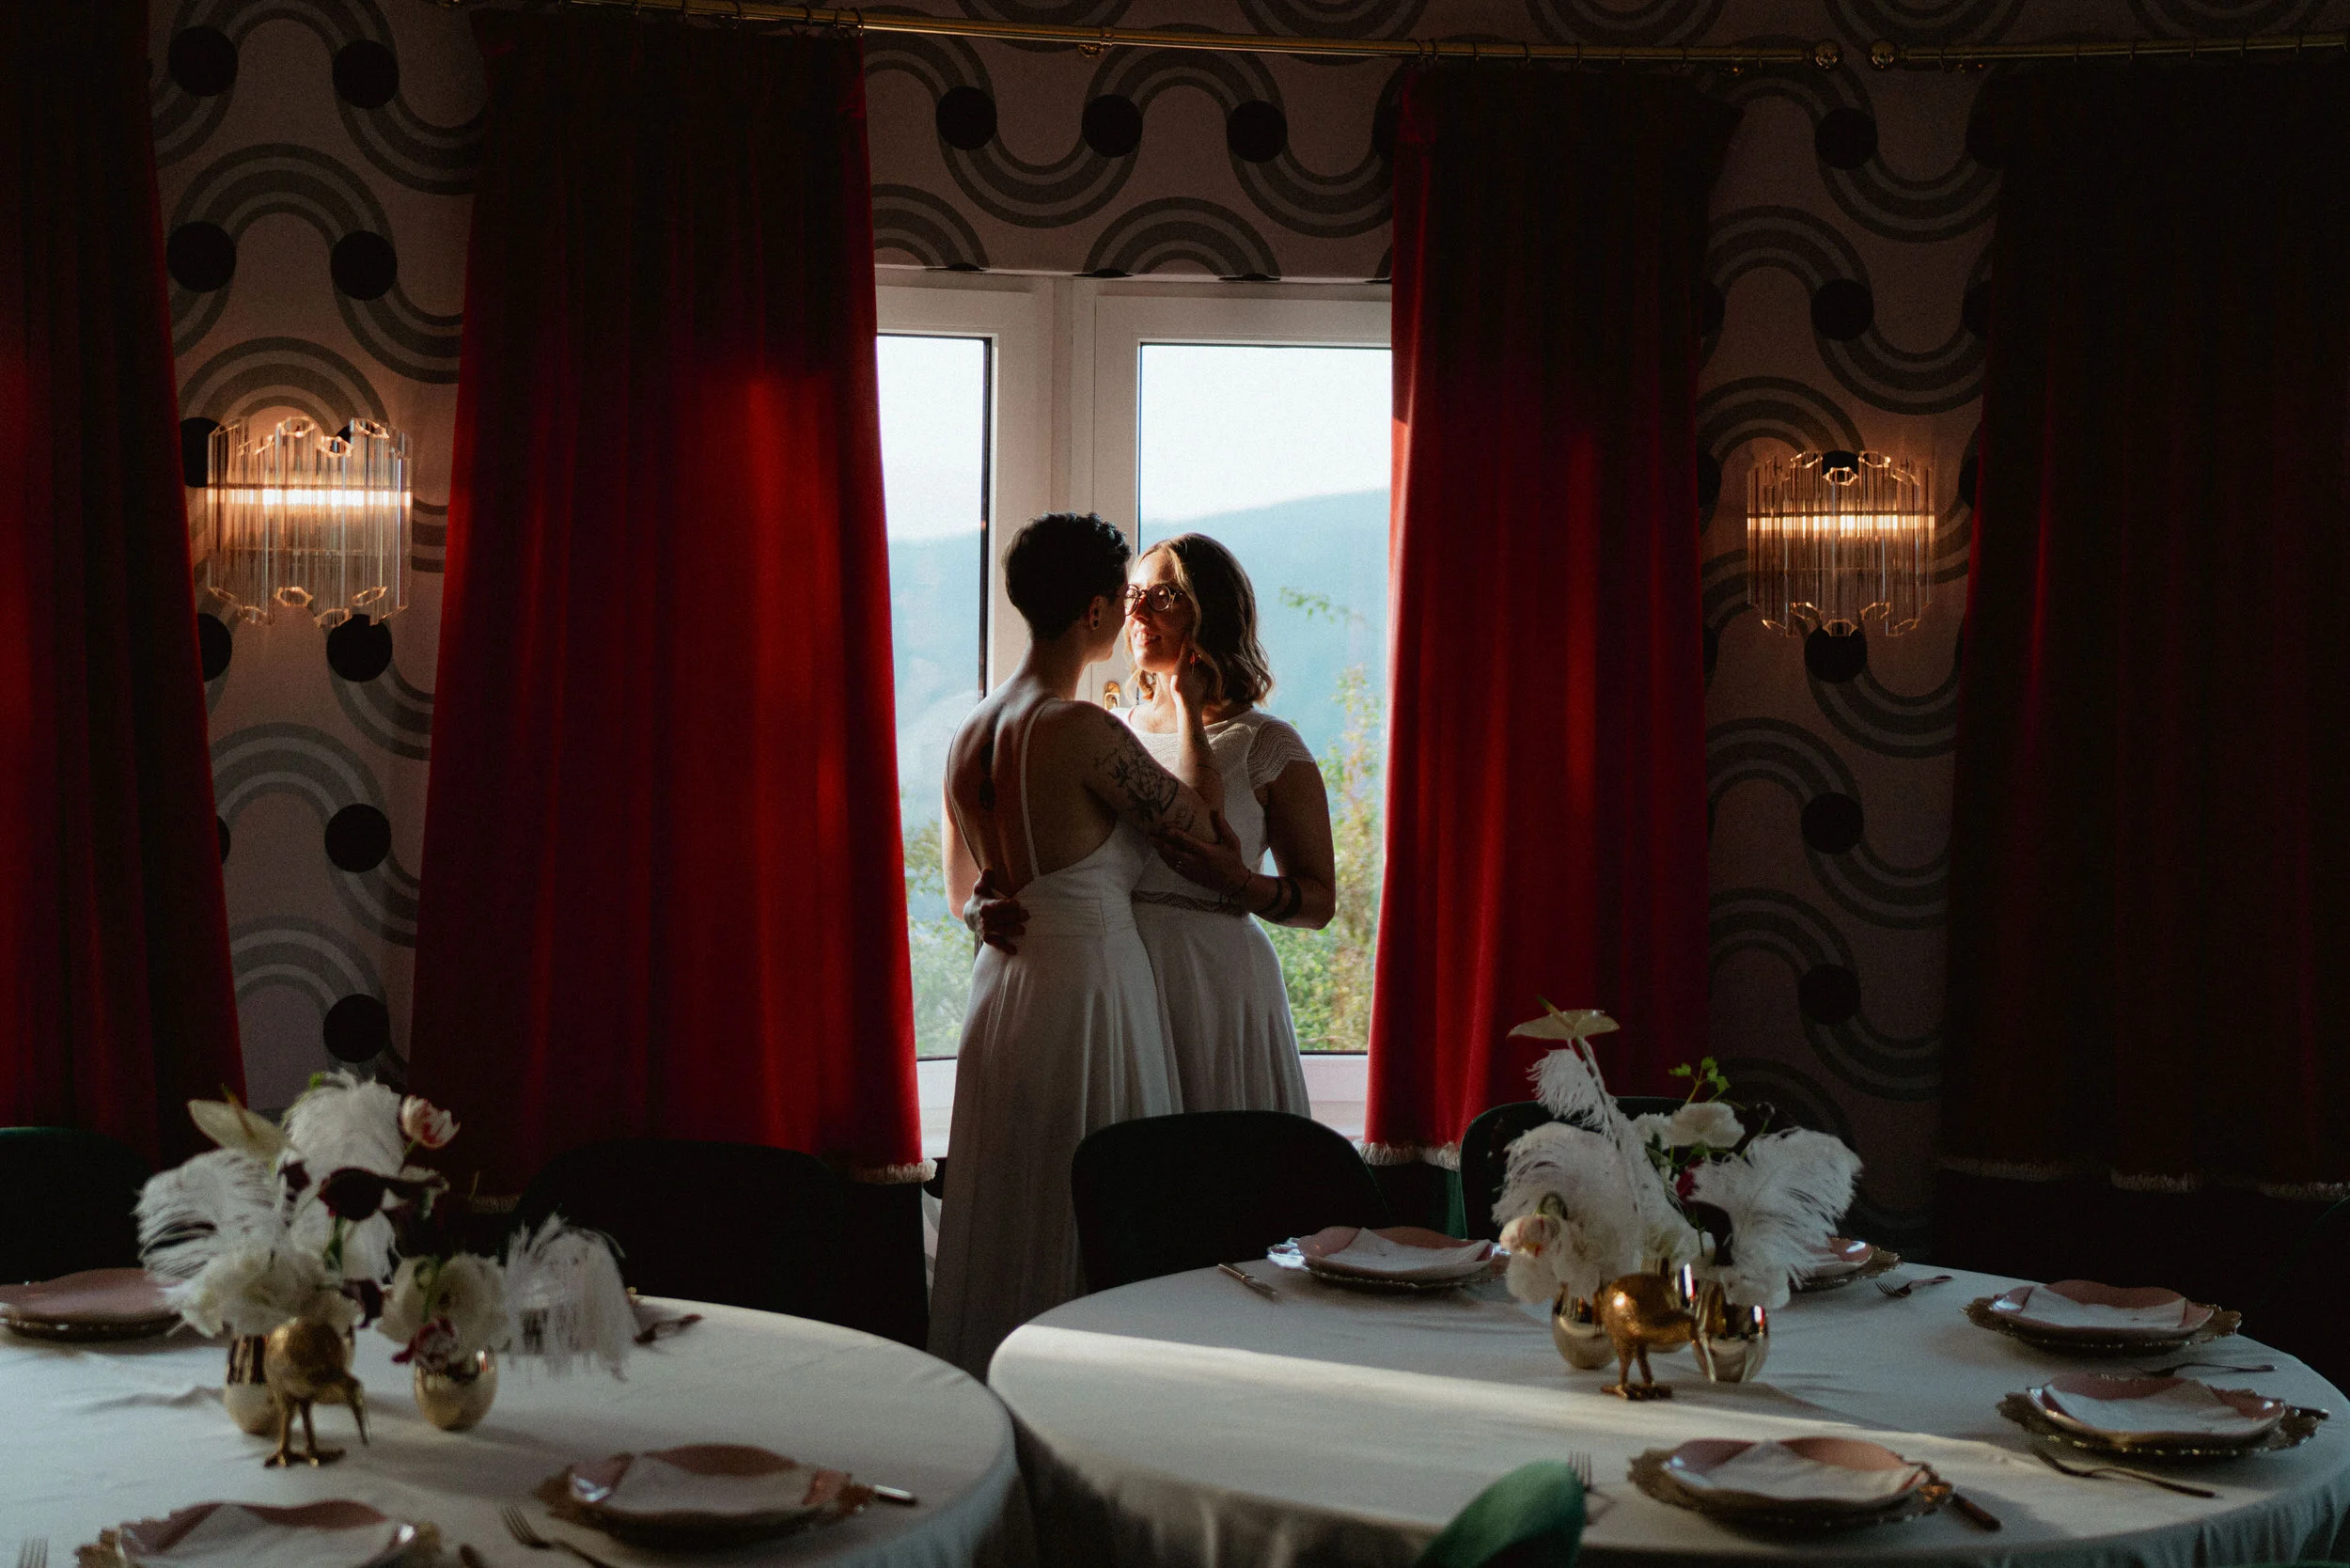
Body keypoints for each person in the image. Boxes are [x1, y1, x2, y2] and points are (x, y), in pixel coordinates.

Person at [926, 512, 1220, 1377]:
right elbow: (1205, 831)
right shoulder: (1081, 731)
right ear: (1096, 612)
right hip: (1091, 988)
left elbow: (962, 897)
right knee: (1100, 1199)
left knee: (1016, 1198)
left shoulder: (969, 731)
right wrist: (1192, 713)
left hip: (1004, 991)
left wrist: (986, 917)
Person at [1122, 534, 1337, 1114]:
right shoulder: (1112, 731)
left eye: (1162, 596)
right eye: (1132, 595)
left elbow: (1318, 902)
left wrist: (1238, 883)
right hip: (1119, 972)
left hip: (1216, 983)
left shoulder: (1267, 745)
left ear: (1210, 609)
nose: (1138, 612)